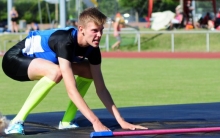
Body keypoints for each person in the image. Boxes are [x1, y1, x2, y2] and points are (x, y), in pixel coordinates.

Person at [2, 7, 147, 135]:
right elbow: (71, 90)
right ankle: (16, 121)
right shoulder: (65, 41)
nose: (99, 35)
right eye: (94, 31)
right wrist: (95, 121)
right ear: (81, 29)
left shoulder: (93, 49)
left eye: (101, 30)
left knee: (87, 70)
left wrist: (121, 121)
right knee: (56, 72)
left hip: (44, 63)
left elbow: (101, 89)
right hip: (14, 61)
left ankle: (66, 122)